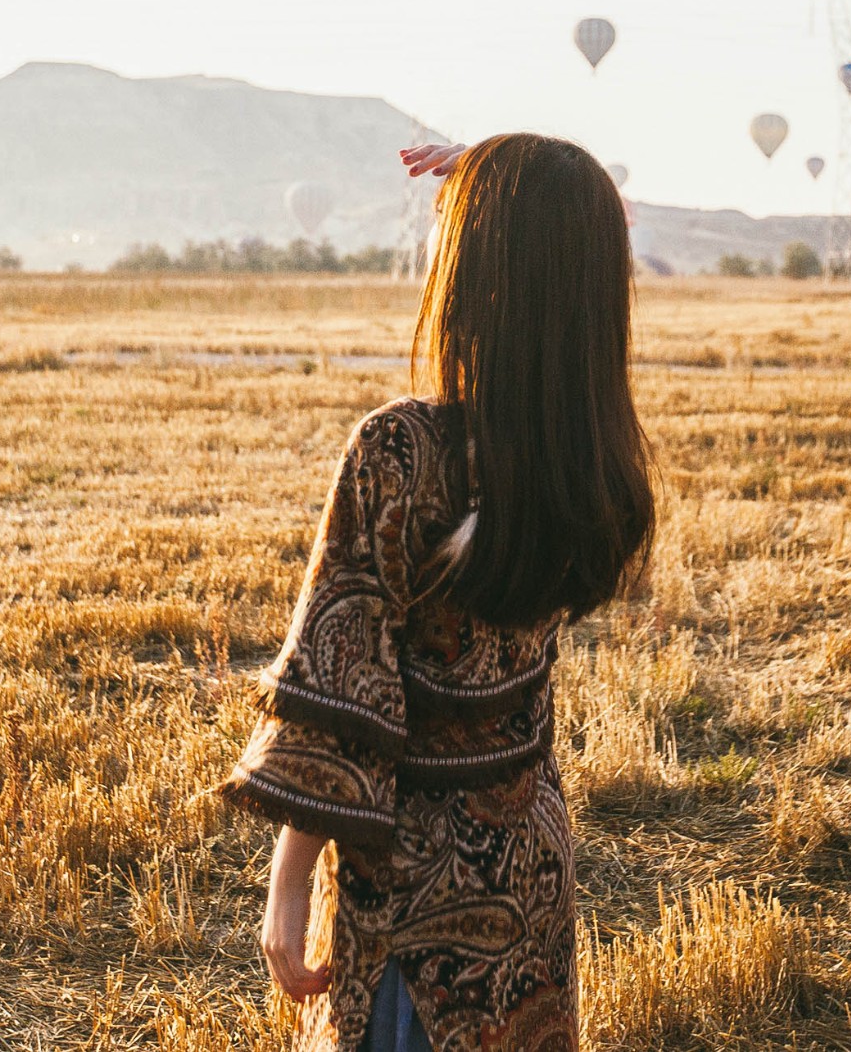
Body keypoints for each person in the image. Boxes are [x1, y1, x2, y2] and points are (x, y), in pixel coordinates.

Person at [218, 133, 656, 1051]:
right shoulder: (595, 462)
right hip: (531, 863)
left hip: (411, 886)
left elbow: (346, 692)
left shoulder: (402, 452)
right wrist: (513, 176)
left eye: (450, 236)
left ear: (475, 274)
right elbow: (572, 233)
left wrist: (288, 880)